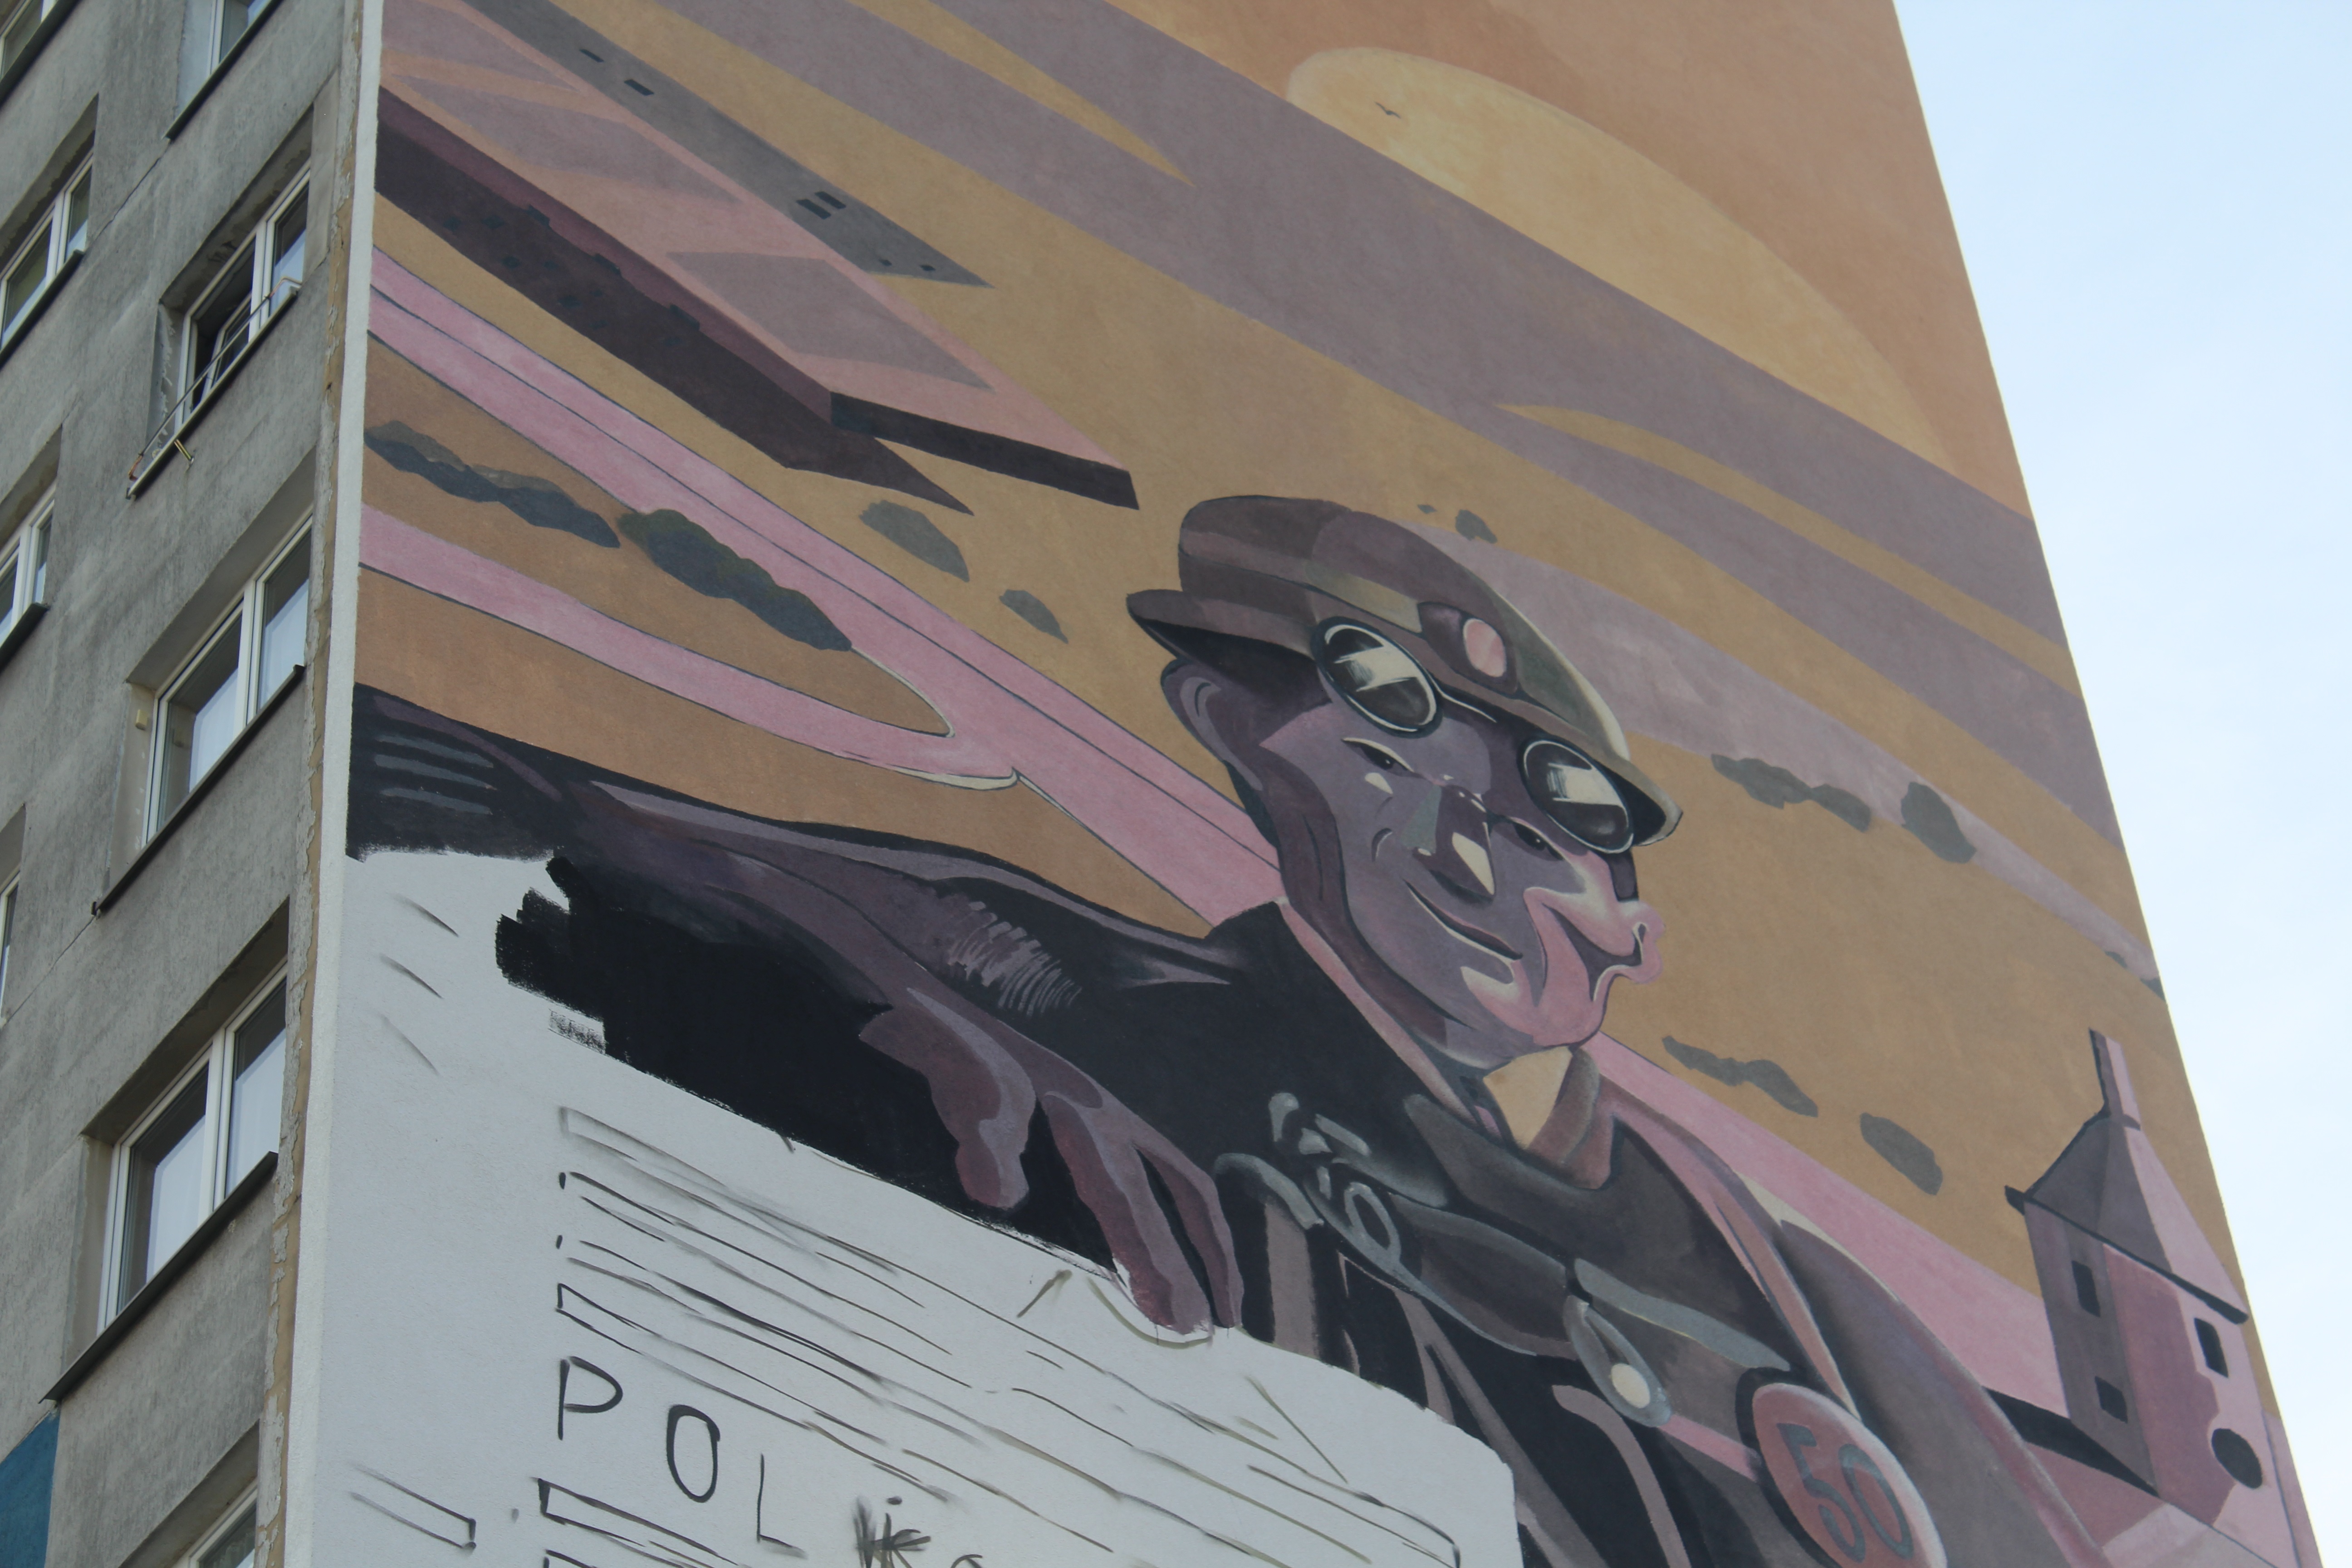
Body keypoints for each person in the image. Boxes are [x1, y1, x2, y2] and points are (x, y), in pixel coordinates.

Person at [351, 497, 2107, 1568]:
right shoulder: (1058, 998)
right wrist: (790, 990)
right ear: (1230, 730)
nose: (1480, 841)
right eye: (1391, 729)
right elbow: (467, 805)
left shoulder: (1780, 1292)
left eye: (1563, 807)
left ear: (1634, 919)